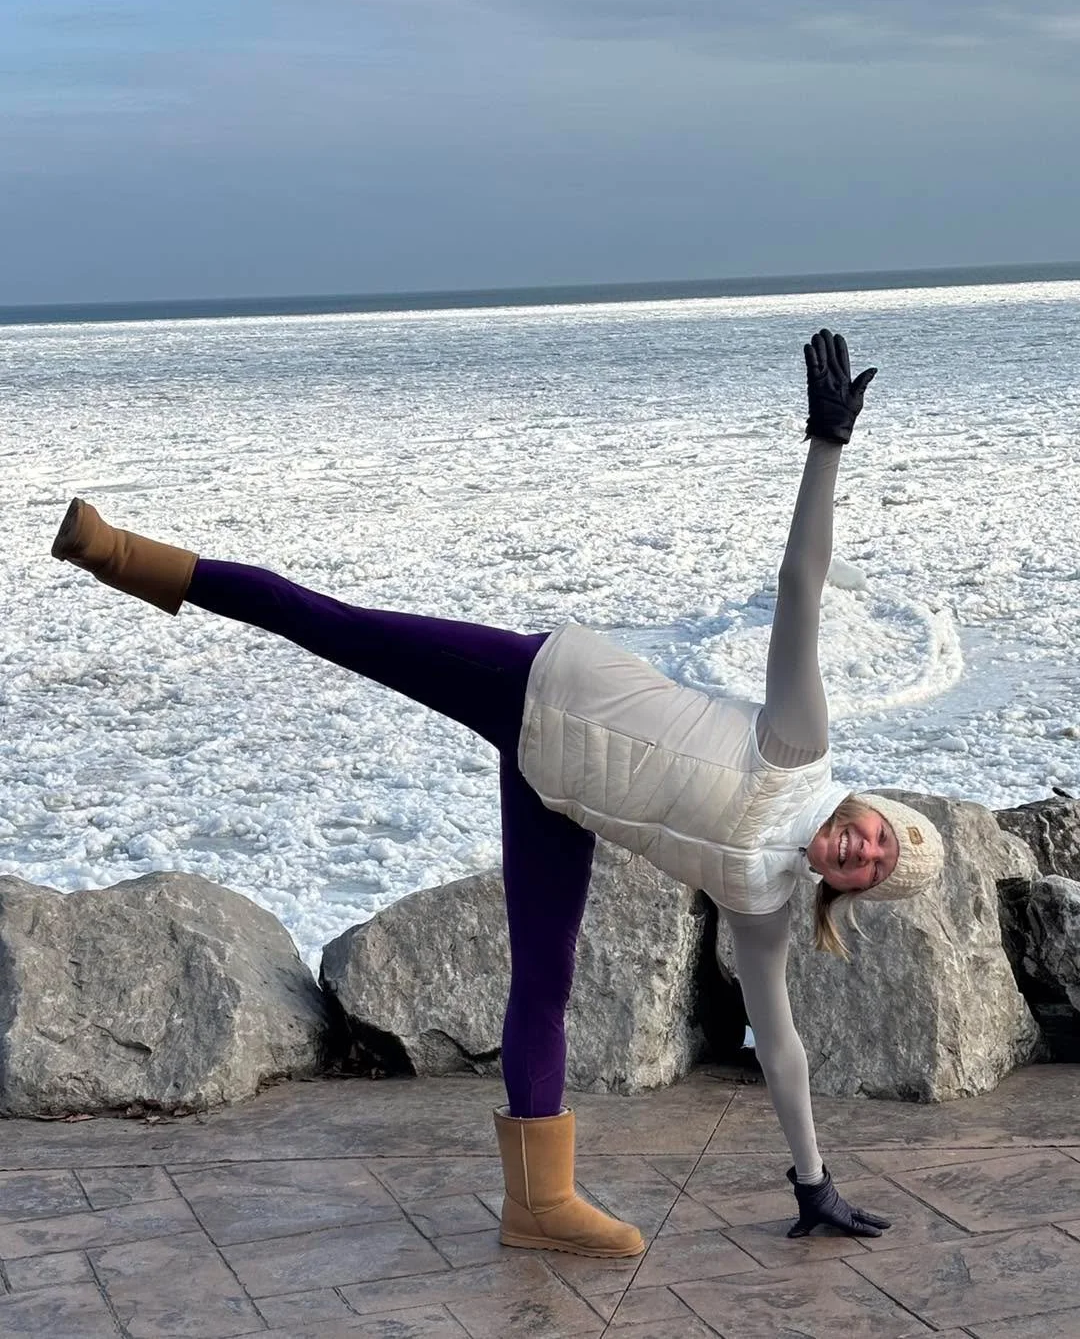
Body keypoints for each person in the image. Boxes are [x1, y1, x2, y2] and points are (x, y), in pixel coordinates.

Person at [51, 328, 944, 1258]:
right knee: (334, 627)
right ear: (869, 810)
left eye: (878, 870)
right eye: (883, 835)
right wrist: (827, 445)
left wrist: (814, 1180)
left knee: (545, 982)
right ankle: (118, 553)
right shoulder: (801, 744)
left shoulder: (764, 907)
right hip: (539, 687)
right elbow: (800, 583)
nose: (869, 853)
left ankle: (538, 1204)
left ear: (857, 888)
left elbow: (783, 1045)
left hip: (553, 791)